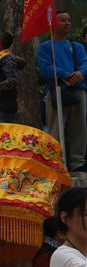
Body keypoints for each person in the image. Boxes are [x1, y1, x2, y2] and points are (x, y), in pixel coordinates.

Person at [38, 11, 87, 173]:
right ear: (52, 24)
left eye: (68, 20)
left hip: (78, 90)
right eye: (62, 20)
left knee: (79, 127)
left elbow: (84, 63)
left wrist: (80, 73)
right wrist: (65, 75)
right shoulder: (45, 47)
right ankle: (56, 161)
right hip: (56, 91)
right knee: (56, 128)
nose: (67, 23)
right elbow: (45, 68)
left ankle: (77, 162)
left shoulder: (77, 46)